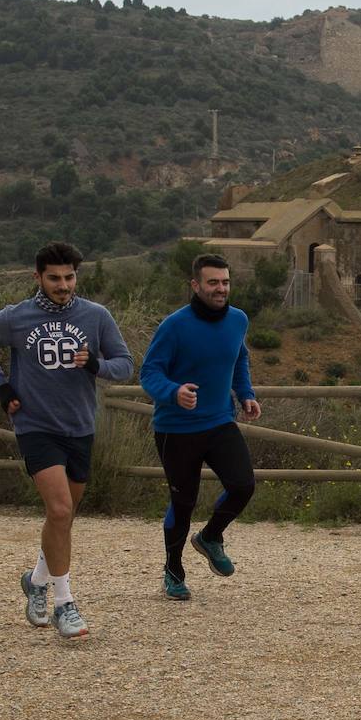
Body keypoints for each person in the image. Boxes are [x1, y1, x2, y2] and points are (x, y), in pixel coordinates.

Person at [0, 241, 134, 640]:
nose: (63, 285)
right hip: (35, 425)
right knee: (60, 510)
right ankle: (64, 603)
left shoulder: (96, 316)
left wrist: (96, 364)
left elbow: (125, 366)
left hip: (79, 426)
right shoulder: (15, 317)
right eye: (55, 278)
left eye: (69, 277)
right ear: (38, 278)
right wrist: (1, 387)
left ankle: (37, 578)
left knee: (64, 517)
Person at [140, 253, 261, 601]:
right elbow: (149, 373)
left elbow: (239, 358)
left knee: (243, 485)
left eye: (225, 282)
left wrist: (246, 393)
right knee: (184, 502)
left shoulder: (238, 320)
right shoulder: (174, 326)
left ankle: (210, 537)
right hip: (175, 428)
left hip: (219, 420)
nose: (220, 288)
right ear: (196, 285)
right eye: (213, 282)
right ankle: (174, 571)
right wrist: (173, 392)